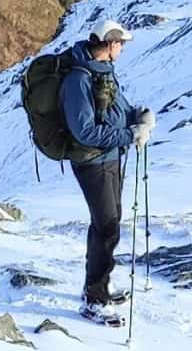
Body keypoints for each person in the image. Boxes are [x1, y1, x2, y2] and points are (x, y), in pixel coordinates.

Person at [62, 20, 154, 327]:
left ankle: (98, 285)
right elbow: (84, 131)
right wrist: (130, 135)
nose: (123, 48)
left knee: (107, 223)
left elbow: (118, 111)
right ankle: (94, 299)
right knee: (107, 227)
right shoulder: (78, 79)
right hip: (92, 162)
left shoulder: (103, 72)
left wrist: (138, 115)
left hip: (110, 158)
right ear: (110, 44)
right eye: (121, 44)